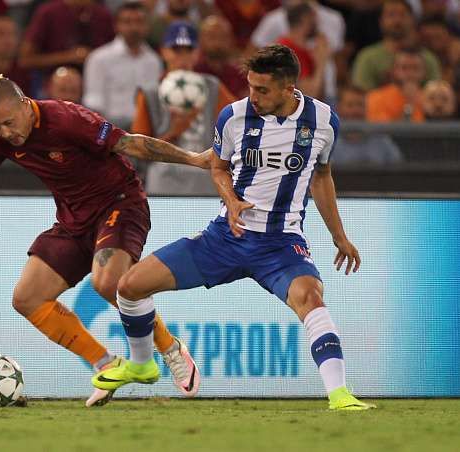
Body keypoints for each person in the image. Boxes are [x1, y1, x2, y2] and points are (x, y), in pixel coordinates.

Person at [0, 73, 209, 407]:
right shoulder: (1, 136)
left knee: (108, 282)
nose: (5, 133)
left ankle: (170, 349)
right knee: (27, 298)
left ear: (25, 105)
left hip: (120, 203)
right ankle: (106, 363)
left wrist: (194, 159)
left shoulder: (67, 119)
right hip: (72, 221)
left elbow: (132, 143)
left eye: (8, 123)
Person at [93, 45, 376, 411]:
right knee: (129, 287)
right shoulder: (233, 117)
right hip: (225, 238)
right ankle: (142, 363)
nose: (252, 97)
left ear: (289, 87)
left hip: (281, 244)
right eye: (250, 87)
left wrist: (340, 236)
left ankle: (340, 396)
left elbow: (322, 175)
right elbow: (218, 166)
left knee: (312, 299)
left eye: (262, 90)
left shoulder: (323, 121)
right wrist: (231, 201)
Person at [132, 21, 235, 195]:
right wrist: (174, 132)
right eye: (176, 50)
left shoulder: (213, 86)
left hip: (207, 181)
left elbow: (237, 126)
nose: (183, 57)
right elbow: (138, 149)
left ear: (197, 53)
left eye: (189, 50)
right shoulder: (150, 92)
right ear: (164, 52)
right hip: (164, 183)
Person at [82, 1, 162, 130]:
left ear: (147, 26)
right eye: (127, 22)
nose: (134, 28)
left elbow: (155, 106)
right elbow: (93, 104)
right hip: (109, 129)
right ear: (116, 26)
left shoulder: (154, 61)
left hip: (145, 131)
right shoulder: (99, 58)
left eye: (139, 22)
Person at [351, 0, 440, 91]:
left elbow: (435, 94)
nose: (397, 20)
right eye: (391, 15)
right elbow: (360, 96)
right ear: (381, 21)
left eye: (402, 15)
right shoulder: (367, 58)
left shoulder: (428, 59)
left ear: (412, 20)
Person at [331, 85, 403, 167]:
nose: (356, 111)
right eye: (350, 105)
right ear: (339, 108)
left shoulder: (381, 139)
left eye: (360, 105)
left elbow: (399, 169)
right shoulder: (329, 144)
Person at [366, 47, 426, 122]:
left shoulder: (430, 99)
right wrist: (409, 104)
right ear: (394, 70)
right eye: (404, 68)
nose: (410, 74)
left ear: (424, 72)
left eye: (415, 68)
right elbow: (385, 130)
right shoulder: (376, 98)